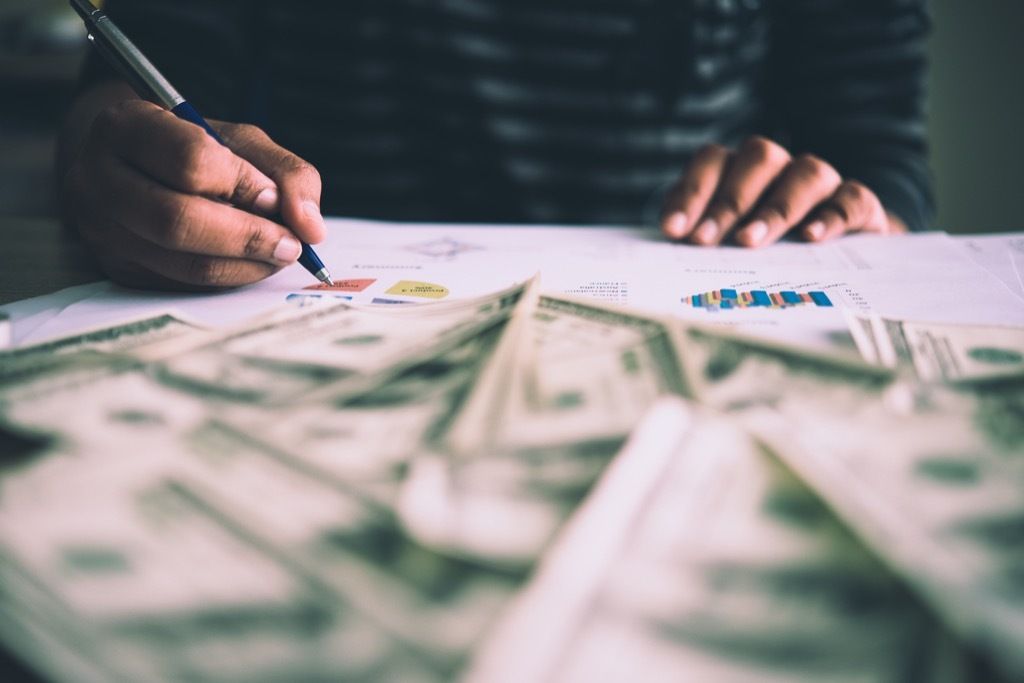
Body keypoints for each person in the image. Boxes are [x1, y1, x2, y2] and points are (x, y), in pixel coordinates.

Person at [58, 0, 932, 291]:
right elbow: (143, 79)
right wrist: (111, 164)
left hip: (704, 281)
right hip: (282, 293)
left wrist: (856, 207)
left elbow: (880, 153)